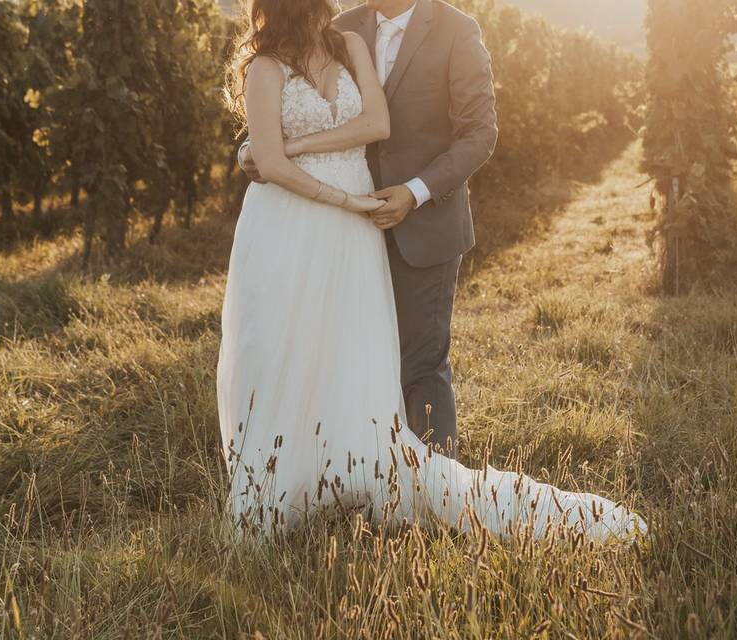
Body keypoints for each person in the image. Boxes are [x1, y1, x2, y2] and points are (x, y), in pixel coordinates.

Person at [218, 0, 647, 541]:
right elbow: (282, 102)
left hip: (422, 225)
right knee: (340, 358)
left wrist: (415, 193)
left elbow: (478, 134)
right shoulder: (340, 29)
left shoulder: (456, 31)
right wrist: (251, 151)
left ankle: (432, 509)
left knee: (420, 365)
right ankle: (334, 486)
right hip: (342, 231)